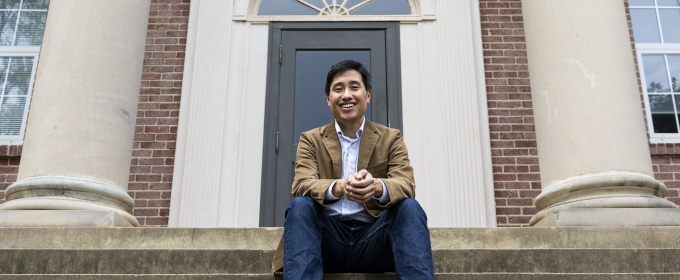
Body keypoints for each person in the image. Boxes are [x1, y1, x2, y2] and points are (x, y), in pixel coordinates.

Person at [272, 60, 434, 279]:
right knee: (300, 205)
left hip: (375, 240)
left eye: (354, 87)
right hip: (324, 241)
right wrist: (339, 186)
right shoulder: (310, 139)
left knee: (409, 207)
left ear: (368, 94)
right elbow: (302, 185)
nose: (346, 95)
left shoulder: (390, 138)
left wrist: (376, 186)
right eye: (338, 89)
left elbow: (406, 184)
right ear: (328, 99)